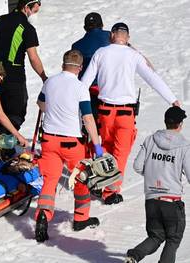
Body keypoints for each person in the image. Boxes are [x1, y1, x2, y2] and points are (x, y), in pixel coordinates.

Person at [81, 22, 180, 205]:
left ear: (112, 35)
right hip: (125, 114)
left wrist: (72, 102)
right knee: (120, 153)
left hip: (104, 112)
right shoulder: (134, 56)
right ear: (127, 38)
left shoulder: (100, 53)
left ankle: (103, 183)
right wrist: (172, 100)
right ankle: (110, 191)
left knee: (107, 150)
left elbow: (85, 82)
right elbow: (152, 78)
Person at [34, 50, 103, 242]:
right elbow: (88, 118)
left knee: (50, 180)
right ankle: (81, 218)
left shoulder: (50, 82)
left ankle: (43, 215)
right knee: (81, 179)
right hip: (71, 143)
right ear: (80, 68)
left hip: (49, 140)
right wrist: (97, 146)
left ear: (63, 64)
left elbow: (40, 103)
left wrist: (54, 110)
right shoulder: (80, 87)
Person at [125, 106, 189, 263]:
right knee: (173, 239)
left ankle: (134, 255)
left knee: (156, 236)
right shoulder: (184, 146)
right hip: (171, 202)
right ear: (180, 124)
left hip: (152, 200)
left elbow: (138, 166)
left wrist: (154, 173)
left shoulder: (151, 139)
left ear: (165, 122)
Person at [0, 0, 48, 134]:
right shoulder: (26, 27)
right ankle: (6, 146)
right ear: (27, 7)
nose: (39, 6)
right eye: (37, 3)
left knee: (2, 111)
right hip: (14, 76)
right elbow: (33, 57)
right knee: (16, 112)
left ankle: (5, 144)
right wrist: (44, 77)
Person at [72, 12, 110, 119]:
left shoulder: (76, 45)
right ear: (102, 25)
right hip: (109, 88)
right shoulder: (111, 37)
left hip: (87, 91)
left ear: (85, 28)